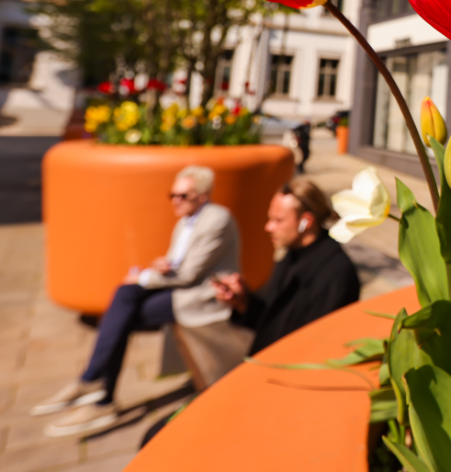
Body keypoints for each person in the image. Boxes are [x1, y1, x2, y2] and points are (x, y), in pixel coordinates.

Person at [33, 165, 240, 437]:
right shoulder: (186, 220)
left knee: (122, 311)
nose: (175, 201)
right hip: (180, 287)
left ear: (202, 196)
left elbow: (190, 276)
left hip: (201, 295)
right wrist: (159, 269)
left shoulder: (216, 219)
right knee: (123, 296)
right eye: (173, 195)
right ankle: (96, 387)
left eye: (183, 196)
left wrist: (147, 278)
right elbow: (179, 266)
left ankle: (97, 388)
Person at [213, 178, 360, 355]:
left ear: (306, 221)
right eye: (269, 218)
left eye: (278, 220)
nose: (268, 227)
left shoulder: (335, 274)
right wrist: (243, 302)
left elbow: (318, 348)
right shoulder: (293, 254)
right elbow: (274, 321)